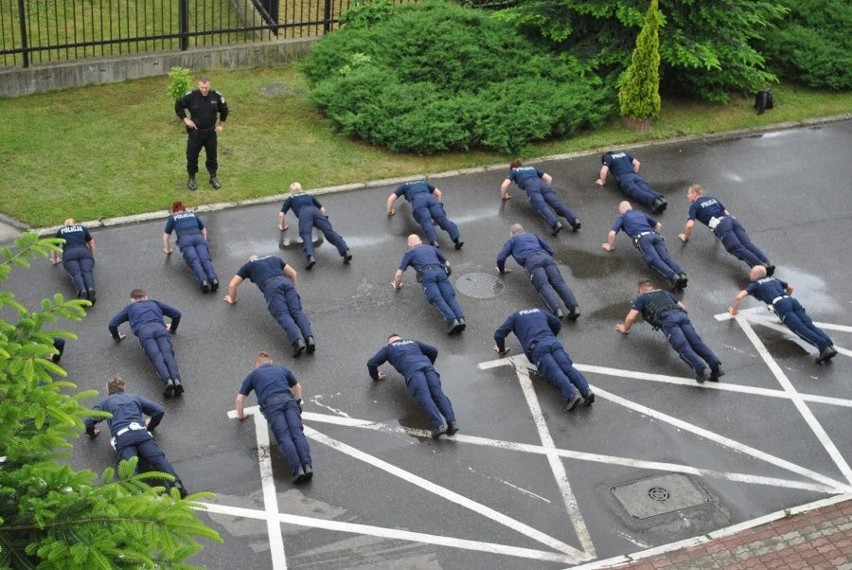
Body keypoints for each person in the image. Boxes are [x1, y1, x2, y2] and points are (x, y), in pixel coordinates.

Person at [84, 375, 187, 498]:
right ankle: (176, 484)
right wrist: (151, 424)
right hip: (141, 433)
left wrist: (92, 433)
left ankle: (138, 494)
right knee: (158, 459)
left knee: (130, 468)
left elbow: (88, 422)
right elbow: (159, 410)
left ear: (107, 390)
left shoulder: (105, 402)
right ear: (124, 387)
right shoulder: (134, 397)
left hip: (123, 438)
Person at [616, 278, 724, 383]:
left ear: (641, 290)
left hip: (669, 321)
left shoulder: (642, 298)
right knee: (696, 343)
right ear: (651, 287)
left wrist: (625, 328)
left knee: (682, 346)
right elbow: (681, 306)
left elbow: (631, 317)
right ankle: (716, 368)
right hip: (681, 316)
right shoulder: (663, 292)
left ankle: (700, 370)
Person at [728, 265, 837, 363]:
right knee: (808, 324)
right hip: (792, 301)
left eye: (751, 272)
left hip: (781, 305)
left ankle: (823, 348)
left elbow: (739, 297)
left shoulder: (755, 285)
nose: (750, 274)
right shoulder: (773, 279)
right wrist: (786, 297)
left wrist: (734, 310)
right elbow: (790, 287)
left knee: (799, 329)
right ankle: (829, 344)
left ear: (756, 275)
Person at [493, 308, 594, 411]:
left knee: (554, 371)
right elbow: (557, 323)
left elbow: (499, 334)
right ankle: (586, 390)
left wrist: (501, 349)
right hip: (553, 342)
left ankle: (571, 395)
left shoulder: (515, 317)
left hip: (537, 348)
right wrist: (550, 337)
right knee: (567, 367)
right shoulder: (539, 311)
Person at [235, 352, 313, 483]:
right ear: (270, 362)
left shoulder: (254, 374)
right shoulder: (281, 369)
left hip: (272, 406)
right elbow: (297, 387)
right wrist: (298, 403)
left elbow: (239, 399)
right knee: (298, 433)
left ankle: (298, 469)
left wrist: (241, 415)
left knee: (285, 437)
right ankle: (308, 466)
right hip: (289, 401)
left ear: (257, 364)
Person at [367, 334, 458, 439]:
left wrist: (375, 377)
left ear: (389, 342)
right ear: (401, 339)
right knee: (438, 395)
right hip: (428, 368)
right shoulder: (413, 342)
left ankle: (438, 425)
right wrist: (429, 365)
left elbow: (371, 363)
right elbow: (433, 351)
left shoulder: (389, 348)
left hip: (414, 372)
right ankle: (452, 422)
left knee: (425, 397)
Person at [224, 254, 315, 357]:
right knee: (297, 312)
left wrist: (232, 299)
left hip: (271, 286)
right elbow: (293, 273)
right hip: (286, 282)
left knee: (283, 314)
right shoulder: (273, 258)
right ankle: (309, 339)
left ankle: (297, 342)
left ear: (251, 260)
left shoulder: (249, 265)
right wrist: (292, 289)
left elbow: (232, 285)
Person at [677, 184, 774, 275]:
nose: (687, 195)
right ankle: (767, 263)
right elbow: (726, 212)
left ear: (695, 193)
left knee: (736, 248)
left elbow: (689, 225)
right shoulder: (712, 199)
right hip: (732, 221)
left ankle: (761, 269)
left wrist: (685, 236)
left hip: (721, 225)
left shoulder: (694, 206)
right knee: (747, 244)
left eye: (689, 193)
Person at [108, 289, 184, 398]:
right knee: (168, 354)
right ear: (146, 297)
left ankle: (168, 381)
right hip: (160, 329)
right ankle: (177, 380)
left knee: (157, 357)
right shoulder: (155, 303)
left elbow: (112, 324)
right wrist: (172, 328)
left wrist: (117, 337)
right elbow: (177, 314)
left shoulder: (130, 308)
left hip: (144, 333)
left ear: (132, 300)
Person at [496, 223, 581, 320]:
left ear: (511, 233)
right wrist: (545, 258)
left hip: (531, 261)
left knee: (543, 286)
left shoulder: (512, 240)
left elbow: (500, 258)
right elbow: (550, 250)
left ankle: (557, 311)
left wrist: (502, 270)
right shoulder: (533, 235)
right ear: (523, 230)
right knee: (559, 283)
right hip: (546, 257)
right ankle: (574, 308)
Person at [602, 201, 688, 291]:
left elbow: (612, 234)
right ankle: (681, 274)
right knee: (666, 257)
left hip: (643, 239)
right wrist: (655, 235)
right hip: (655, 236)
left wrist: (609, 245)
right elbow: (658, 225)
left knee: (654, 259)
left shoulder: (622, 217)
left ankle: (673, 277)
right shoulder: (640, 213)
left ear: (621, 210)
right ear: (630, 207)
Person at [391, 235, 465, 335]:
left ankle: (452, 321)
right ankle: (460, 318)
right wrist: (445, 274)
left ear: (409, 244)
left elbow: (399, 274)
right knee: (449, 296)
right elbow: (447, 263)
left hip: (427, 274)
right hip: (440, 271)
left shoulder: (410, 253)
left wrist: (397, 285)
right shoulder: (431, 248)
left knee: (436, 298)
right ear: (420, 241)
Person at [278, 182, 352, 269]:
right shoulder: (308, 195)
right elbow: (322, 209)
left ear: (291, 190)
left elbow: (281, 215)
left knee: (306, 234)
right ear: (301, 188)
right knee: (329, 231)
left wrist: (282, 227)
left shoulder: (291, 198)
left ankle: (310, 257)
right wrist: (320, 223)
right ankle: (345, 251)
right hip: (316, 212)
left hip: (304, 213)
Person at [174, 75, 229, 191]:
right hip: (196, 133)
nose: (204, 90)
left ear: (210, 85)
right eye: (202, 87)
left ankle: (213, 177)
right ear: (199, 85)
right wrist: (185, 120)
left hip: (210, 132)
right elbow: (178, 106)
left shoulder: (216, 96)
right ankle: (192, 178)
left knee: (212, 156)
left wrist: (221, 125)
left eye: (206, 87)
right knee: (192, 156)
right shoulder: (191, 96)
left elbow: (224, 110)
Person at [500, 158, 581, 235]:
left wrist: (504, 196)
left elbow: (504, 186)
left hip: (531, 186)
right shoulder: (532, 168)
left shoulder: (514, 172)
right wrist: (545, 191)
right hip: (543, 185)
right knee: (557, 204)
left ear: (512, 168)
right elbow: (549, 178)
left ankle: (555, 224)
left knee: (541, 207)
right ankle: (574, 220)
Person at [387, 180, 464, 249]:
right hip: (431, 199)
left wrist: (390, 212)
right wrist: (439, 205)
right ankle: (457, 238)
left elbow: (391, 199)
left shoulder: (404, 186)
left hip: (418, 201)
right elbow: (438, 193)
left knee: (426, 221)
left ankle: (434, 242)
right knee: (443, 220)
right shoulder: (424, 182)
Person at [162, 201, 220, 293]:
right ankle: (214, 280)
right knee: (205, 259)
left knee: (194, 261)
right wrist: (204, 241)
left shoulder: (173, 218)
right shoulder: (192, 214)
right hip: (199, 238)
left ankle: (203, 281)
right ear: (184, 210)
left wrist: (168, 250)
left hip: (185, 241)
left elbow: (166, 237)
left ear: (174, 212)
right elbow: (203, 230)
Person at [597, 151, 667, 214]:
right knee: (646, 189)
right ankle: (661, 199)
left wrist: (602, 181)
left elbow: (603, 171)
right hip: (635, 176)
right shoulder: (624, 154)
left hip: (624, 178)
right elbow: (637, 163)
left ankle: (654, 202)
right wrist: (633, 174)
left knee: (637, 192)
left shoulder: (608, 158)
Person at [49, 218, 97, 303]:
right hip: (83, 252)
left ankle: (82, 290)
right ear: (75, 223)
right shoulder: (82, 228)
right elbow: (91, 243)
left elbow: (53, 247)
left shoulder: (61, 230)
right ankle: (90, 289)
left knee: (76, 272)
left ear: (65, 225)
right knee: (87, 271)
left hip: (69, 254)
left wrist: (55, 260)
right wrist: (91, 256)